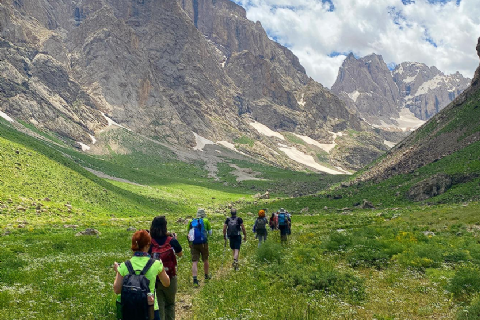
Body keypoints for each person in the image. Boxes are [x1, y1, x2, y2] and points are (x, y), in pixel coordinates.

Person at [113, 230, 170, 320]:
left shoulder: (124, 266)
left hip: (130, 310)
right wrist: (161, 266)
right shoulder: (156, 264)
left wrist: (117, 271)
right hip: (151, 309)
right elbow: (166, 283)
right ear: (148, 244)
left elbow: (117, 290)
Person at [149, 216, 183, 320]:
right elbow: (180, 254)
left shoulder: (150, 242)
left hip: (156, 279)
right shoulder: (171, 240)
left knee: (159, 306)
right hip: (171, 276)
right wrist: (174, 239)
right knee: (170, 304)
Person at [187, 208, 212, 286]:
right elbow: (210, 233)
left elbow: (188, 233)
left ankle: (195, 280)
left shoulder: (191, 221)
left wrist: (190, 243)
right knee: (205, 259)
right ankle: (206, 276)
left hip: (194, 244)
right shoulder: (206, 221)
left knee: (195, 262)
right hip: (204, 243)